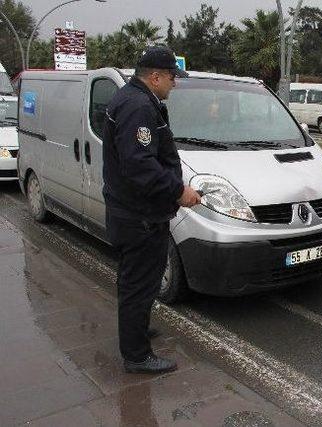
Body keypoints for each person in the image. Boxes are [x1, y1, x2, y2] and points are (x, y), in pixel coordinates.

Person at [103, 46, 201, 374]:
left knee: (140, 283)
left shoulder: (136, 99)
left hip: (137, 213)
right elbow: (139, 166)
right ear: (155, 76)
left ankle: (138, 332)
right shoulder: (137, 106)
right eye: (172, 76)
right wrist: (178, 191)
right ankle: (136, 355)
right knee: (137, 285)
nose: (175, 82)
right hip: (139, 218)